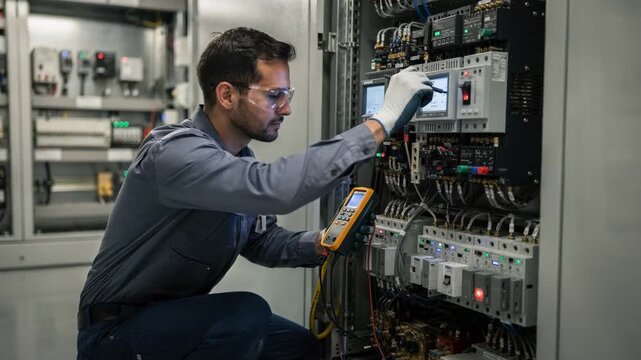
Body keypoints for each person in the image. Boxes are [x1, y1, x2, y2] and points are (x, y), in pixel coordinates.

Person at [76, 27, 432, 359]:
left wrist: (321, 242)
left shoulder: (235, 158)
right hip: (114, 332)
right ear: (227, 95)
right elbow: (273, 188)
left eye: (287, 95)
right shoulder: (173, 153)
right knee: (246, 314)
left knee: (299, 347)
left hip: (167, 322)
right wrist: (381, 121)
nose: (287, 108)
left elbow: (261, 241)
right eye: (274, 96)